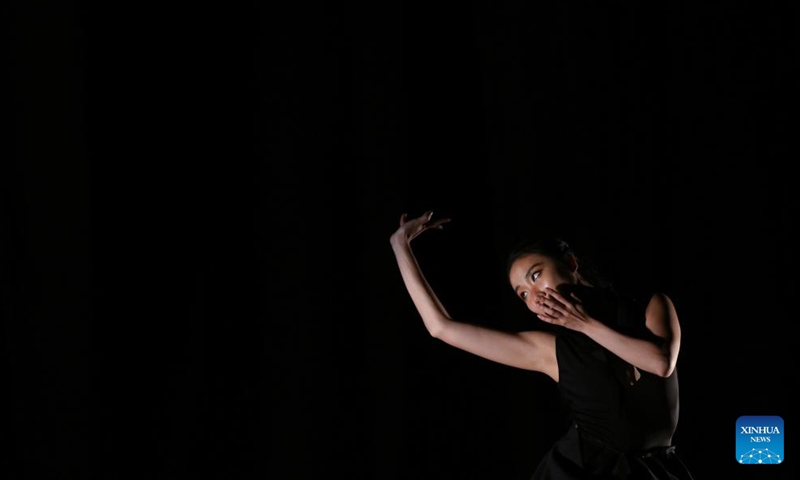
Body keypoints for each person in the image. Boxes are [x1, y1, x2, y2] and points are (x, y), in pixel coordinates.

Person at [390, 210, 694, 480]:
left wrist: (584, 323)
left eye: (536, 276)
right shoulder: (548, 349)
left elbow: (660, 362)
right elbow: (441, 328)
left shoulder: (653, 307)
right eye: (523, 294)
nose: (533, 296)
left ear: (571, 263)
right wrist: (400, 245)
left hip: (656, 470)